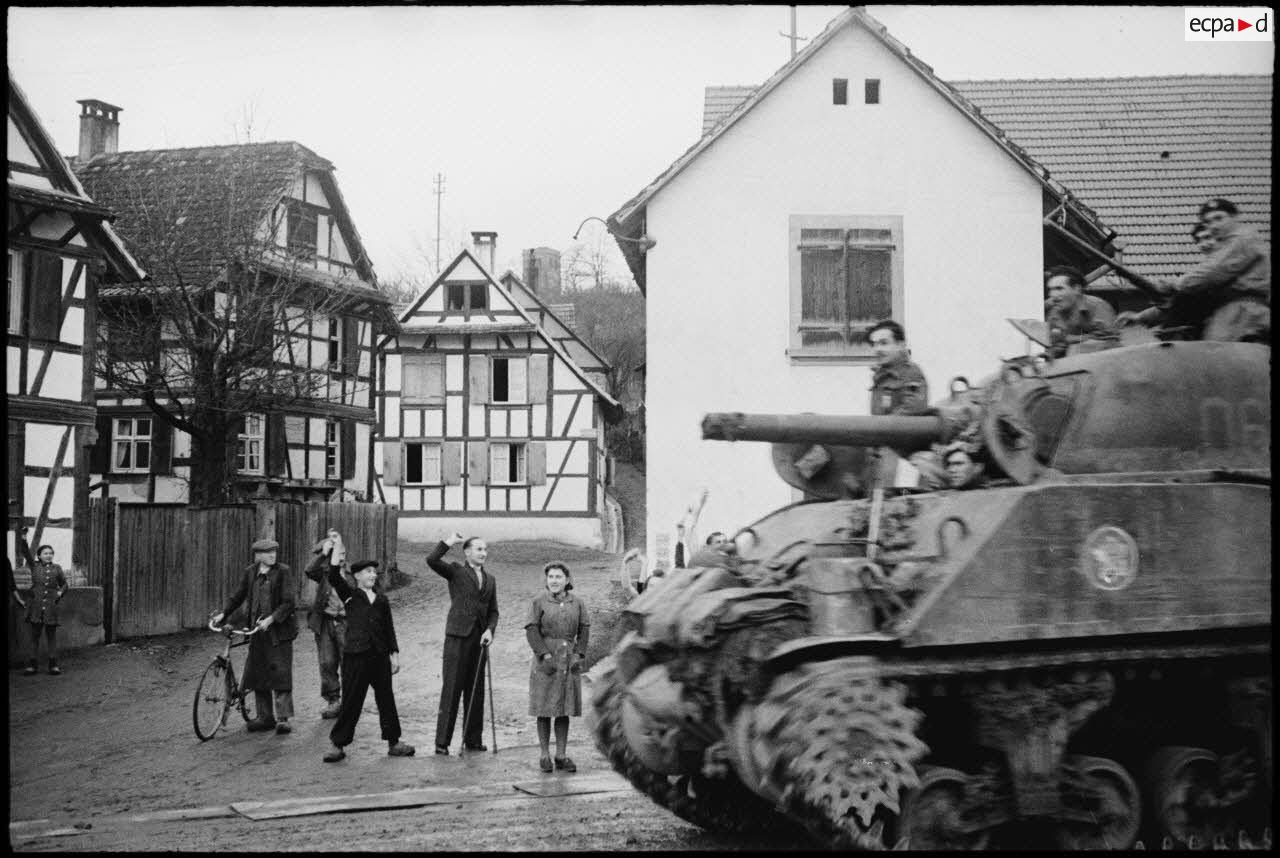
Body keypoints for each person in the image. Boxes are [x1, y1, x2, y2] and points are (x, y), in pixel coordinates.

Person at [322, 558, 415, 762]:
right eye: (368, 572)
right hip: (356, 657)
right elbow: (334, 577)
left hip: (379, 656)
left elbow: (389, 628)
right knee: (352, 701)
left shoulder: (381, 599)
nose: (373, 575)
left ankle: (394, 742)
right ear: (357, 576)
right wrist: (336, 554)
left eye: (374, 572)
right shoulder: (351, 596)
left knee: (386, 698)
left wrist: (394, 654)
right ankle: (338, 744)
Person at [212, 538, 297, 735]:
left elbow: (288, 602)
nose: (273, 555)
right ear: (258, 556)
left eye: (274, 552)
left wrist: (271, 620)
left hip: (279, 631)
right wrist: (224, 614)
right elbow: (238, 595)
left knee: (280, 673)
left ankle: (283, 719)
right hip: (257, 631)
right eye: (268, 553)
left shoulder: (283, 571)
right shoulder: (250, 572)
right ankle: (265, 717)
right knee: (259, 673)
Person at [426, 532, 500, 755]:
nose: (483, 553)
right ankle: (442, 742)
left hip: (480, 641)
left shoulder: (491, 580)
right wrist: (448, 541)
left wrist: (490, 630)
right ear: (467, 552)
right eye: (479, 549)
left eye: (485, 549)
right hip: (457, 638)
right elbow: (432, 560)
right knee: (452, 689)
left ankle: (473, 739)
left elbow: (494, 611)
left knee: (475, 691)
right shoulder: (456, 571)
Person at [1160, 198, 1270, 343]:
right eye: (1208, 222)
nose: (1214, 225)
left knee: (1217, 358)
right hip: (1233, 312)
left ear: (1234, 217)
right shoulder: (1228, 245)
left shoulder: (1243, 239)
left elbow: (1212, 273)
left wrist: (1175, 284)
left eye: (1219, 218)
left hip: (1241, 313)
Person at [525, 562, 590, 773]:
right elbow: (532, 630)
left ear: (567, 580)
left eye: (558, 577)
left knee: (564, 709)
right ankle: (544, 755)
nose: (554, 580)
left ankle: (561, 755)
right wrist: (544, 654)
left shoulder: (577, 602)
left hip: (569, 659)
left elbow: (584, 628)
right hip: (545, 658)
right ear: (547, 580)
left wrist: (579, 654)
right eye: (551, 577)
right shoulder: (538, 602)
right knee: (543, 708)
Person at [866, 320, 930, 490]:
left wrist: (879, 433)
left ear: (901, 345)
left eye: (884, 343)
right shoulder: (882, 377)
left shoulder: (911, 374)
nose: (877, 349)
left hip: (905, 457)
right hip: (884, 452)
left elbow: (914, 409)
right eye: (874, 344)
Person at [304, 529, 350, 720]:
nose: (341, 557)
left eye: (343, 553)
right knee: (327, 663)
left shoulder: (353, 573)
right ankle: (333, 701)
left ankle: (350, 701)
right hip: (325, 624)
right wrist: (323, 552)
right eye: (337, 553)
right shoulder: (323, 574)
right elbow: (309, 570)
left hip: (347, 624)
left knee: (349, 663)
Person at [1043, 265, 1118, 358]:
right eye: (1050, 290)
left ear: (1076, 289)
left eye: (1059, 289)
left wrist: (1070, 340)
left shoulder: (1097, 306)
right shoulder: (1054, 314)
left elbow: (1110, 341)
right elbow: (1056, 346)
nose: (1052, 295)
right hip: (1072, 365)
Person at [22, 542, 68, 676]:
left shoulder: (57, 568)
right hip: (36, 606)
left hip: (50, 607)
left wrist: (60, 593)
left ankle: (53, 665)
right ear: (39, 556)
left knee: (51, 635)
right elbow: (26, 552)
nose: (49, 556)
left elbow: (64, 584)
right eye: (45, 553)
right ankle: (32, 665)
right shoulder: (34, 566)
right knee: (34, 636)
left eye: (51, 553)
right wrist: (24, 539)